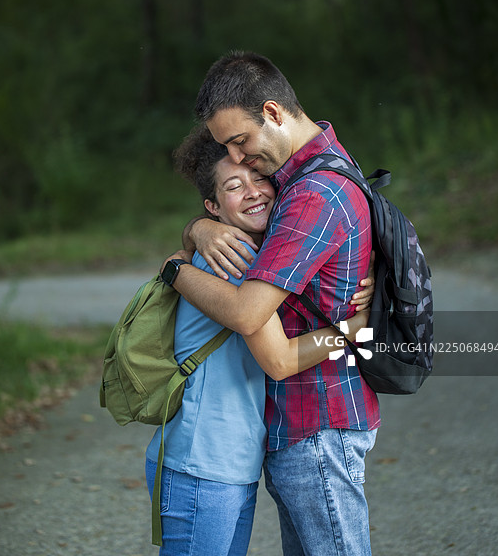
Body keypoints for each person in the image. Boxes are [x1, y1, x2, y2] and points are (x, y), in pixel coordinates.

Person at [161, 51, 381, 556]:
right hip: (301, 427)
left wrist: (174, 269)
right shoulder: (302, 173)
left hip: (317, 423)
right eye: (226, 150)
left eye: (240, 141)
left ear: (275, 113)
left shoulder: (312, 194)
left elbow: (246, 315)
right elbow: (232, 208)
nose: (237, 159)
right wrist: (199, 226)